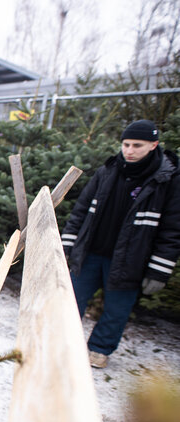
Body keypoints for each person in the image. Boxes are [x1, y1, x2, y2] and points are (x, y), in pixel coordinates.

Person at [61, 119, 180, 369]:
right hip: (90, 254)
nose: (129, 150)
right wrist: (69, 245)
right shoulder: (108, 171)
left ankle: (99, 350)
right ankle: (61, 344)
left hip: (130, 261)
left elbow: (172, 229)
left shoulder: (166, 180)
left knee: (116, 310)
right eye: (126, 144)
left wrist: (159, 270)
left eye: (137, 145)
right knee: (71, 301)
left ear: (153, 145)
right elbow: (81, 210)